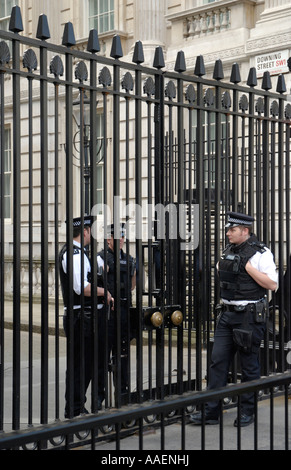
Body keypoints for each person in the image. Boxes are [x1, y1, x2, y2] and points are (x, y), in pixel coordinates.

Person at [190, 211, 278, 427]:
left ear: (245, 231)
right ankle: (211, 412)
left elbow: (272, 284)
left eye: (232, 229)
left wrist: (247, 268)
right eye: (228, 229)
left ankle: (247, 411)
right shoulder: (228, 250)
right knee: (217, 362)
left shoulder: (261, 253)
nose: (228, 233)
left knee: (249, 366)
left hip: (248, 316)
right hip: (227, 314)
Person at [59, 215, 113, 418]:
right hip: (82, 317)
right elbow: (81, 287)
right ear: (84, 232)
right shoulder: (75, 255)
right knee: (81, 364)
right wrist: (104, 292)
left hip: (83, 316)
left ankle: (77, 405)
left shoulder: (76, 253)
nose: (91, 233)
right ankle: (73, 408)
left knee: (84, 363)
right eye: (89, 230)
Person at [97, 223, 136, 406]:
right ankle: (100, 397)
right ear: (108, 239)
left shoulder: (129, 259)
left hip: (124, 313)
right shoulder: (100, 258)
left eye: (122, 236)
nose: (120, 240)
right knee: (102, 358)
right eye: (116, 237)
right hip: (107, 314)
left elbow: (133, 283)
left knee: (122, 357)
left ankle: (122, 394)